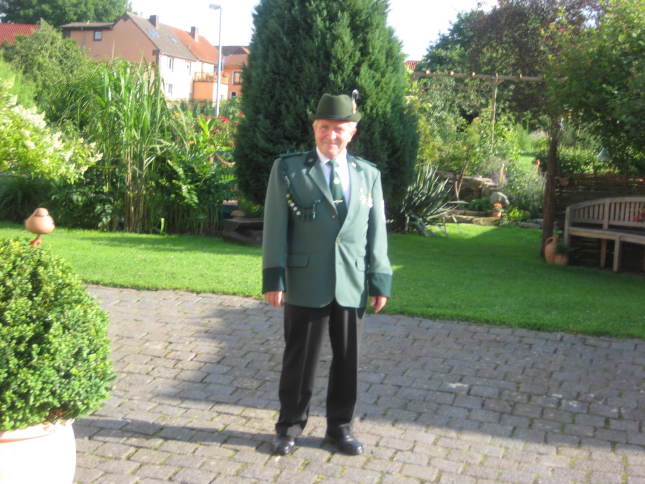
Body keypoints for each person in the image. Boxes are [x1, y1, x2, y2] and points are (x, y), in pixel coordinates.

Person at [262, 92, 392, 456]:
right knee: (300, 359)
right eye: (324, 127)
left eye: (338, 129)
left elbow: (376, 232)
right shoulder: (288, 169)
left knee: (348, 360)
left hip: (352, 281)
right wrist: (274, 278)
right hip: (306, 280)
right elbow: (275, 227)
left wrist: (380, 278)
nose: (330, 135)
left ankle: (340, 429)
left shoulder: (368, 174)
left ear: (352, 132)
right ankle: (289, 426)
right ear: (314, 128)